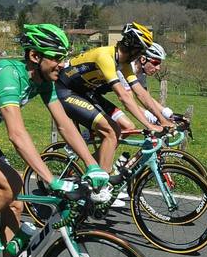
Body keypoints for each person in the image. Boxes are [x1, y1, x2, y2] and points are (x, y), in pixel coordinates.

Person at [0, 23, 109, 253]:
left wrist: (92, 165)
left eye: (64, 57)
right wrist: (50, 179)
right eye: (57, 57)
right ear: (35, 56)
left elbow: (65, 124)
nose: (63, 64)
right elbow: (16, 134)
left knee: (16, 203)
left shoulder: (45, 82)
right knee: (10, 186)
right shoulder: (10, 75)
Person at [56, 22, 172, 175]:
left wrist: (163, 120)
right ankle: (100, 186)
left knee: (115, 132)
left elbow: (141, 93)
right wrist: (149, 126)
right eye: (141, 51)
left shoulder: (123, 63)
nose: (140, 56)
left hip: (85, 92)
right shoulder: (105, 57)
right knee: (112, 131)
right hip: (66, 91)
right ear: (133, 48)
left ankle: (89, 174)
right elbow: (124, 97)